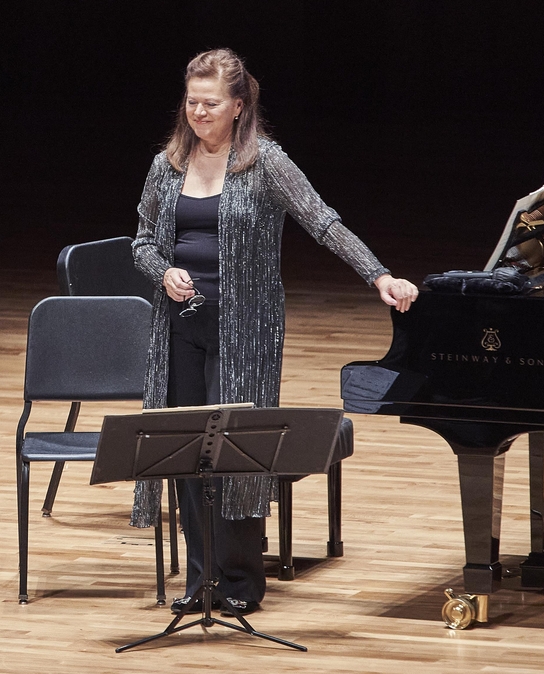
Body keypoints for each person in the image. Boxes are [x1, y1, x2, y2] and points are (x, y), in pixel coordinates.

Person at [129, 48, 417, 616]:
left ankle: (239, 580)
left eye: (211, 103)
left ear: (238, 106)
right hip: (179, 328)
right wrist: (162, 271)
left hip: (246, 332)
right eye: (192, 102)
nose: (199, 113)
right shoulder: (166, 166)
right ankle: (200, 579)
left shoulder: (266, 164)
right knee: (186, 451)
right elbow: (140, 241)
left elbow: (322, 220)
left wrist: (378, 274)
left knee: (235, 451)